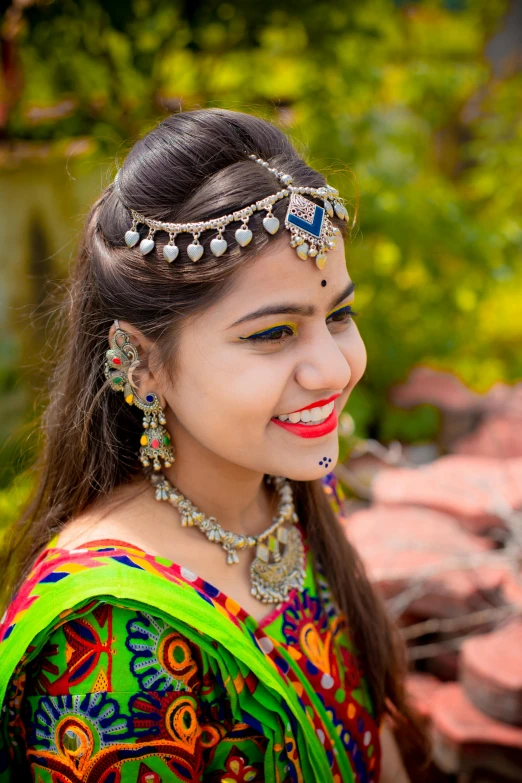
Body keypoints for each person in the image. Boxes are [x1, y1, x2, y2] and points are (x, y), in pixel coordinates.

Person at [0, 108, 427, 782]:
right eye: (272, 334)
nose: (335, 368)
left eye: (338, 315)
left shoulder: (287, 489)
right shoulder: (109, 643)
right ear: (140, 364)